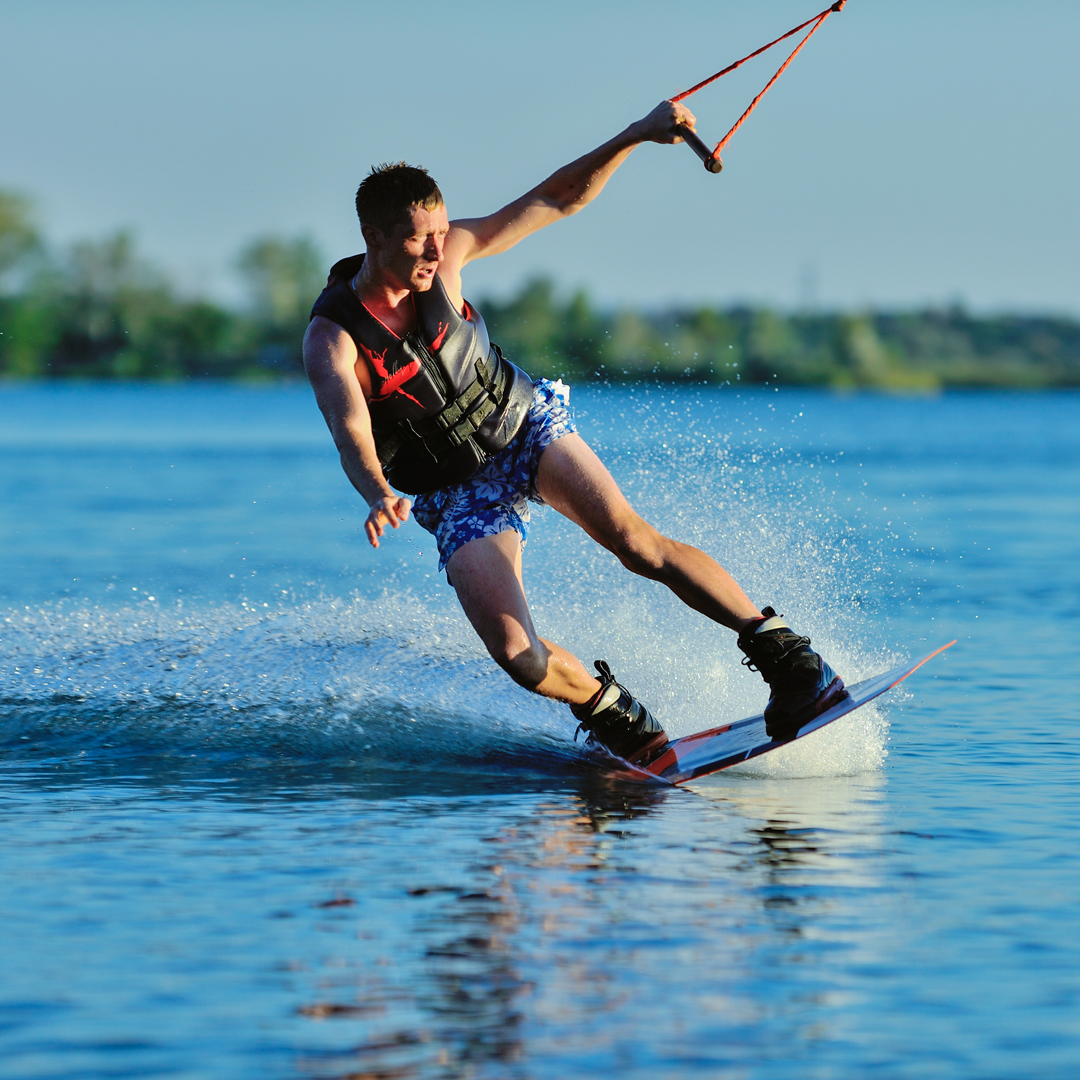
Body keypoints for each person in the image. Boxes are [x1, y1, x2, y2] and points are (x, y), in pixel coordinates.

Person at [303, 100, 844, 765]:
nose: (437, 249)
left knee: (633, 541)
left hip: (518, 422)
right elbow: (350, 429)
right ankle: (617, 715)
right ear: (373, 236)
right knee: (516, 656)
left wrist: (639, 134)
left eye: (442, 231)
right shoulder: (333, 339)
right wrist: (375, 491)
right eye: (419, 238)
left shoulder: (447, 261)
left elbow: (556, 199)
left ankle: (793, 665)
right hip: (453, 488)